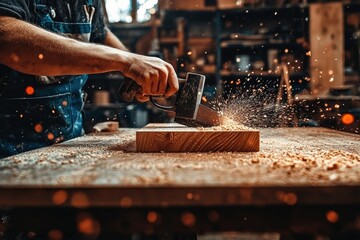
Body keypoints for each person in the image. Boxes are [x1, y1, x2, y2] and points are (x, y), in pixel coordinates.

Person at [0, 0, 179, 158]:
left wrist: (134, 70)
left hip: (67, 145)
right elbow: (6, 36)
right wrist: (127, 61)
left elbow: (99, 34)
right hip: (9, 150)